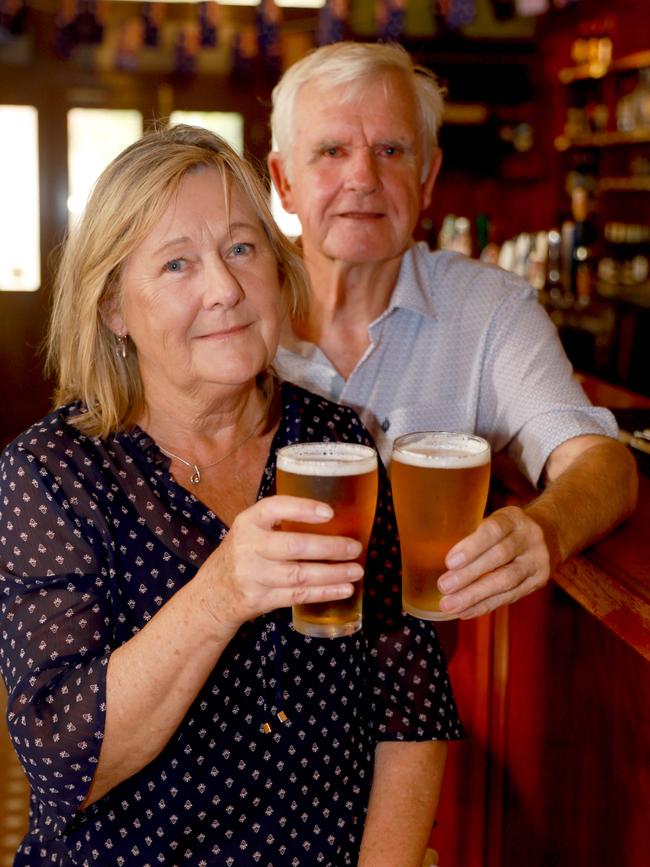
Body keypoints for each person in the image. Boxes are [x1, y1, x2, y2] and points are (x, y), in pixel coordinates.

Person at [0, 125, 462, 867]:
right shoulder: (54, 473)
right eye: (178, 264)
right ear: (115, 308)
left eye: (242, 249)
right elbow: (60, 763)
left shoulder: (337, 443)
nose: (225, 289)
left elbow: (411, 703)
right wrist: (219, 593)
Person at [267, 41, 638, 622]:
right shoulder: (232, 308)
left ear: (428, 176)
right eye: (331, 151)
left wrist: (545, 528)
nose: (362, 177)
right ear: (284, 180)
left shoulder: (489, 309)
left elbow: (603, 464)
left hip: (413, 692)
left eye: (390, 150)